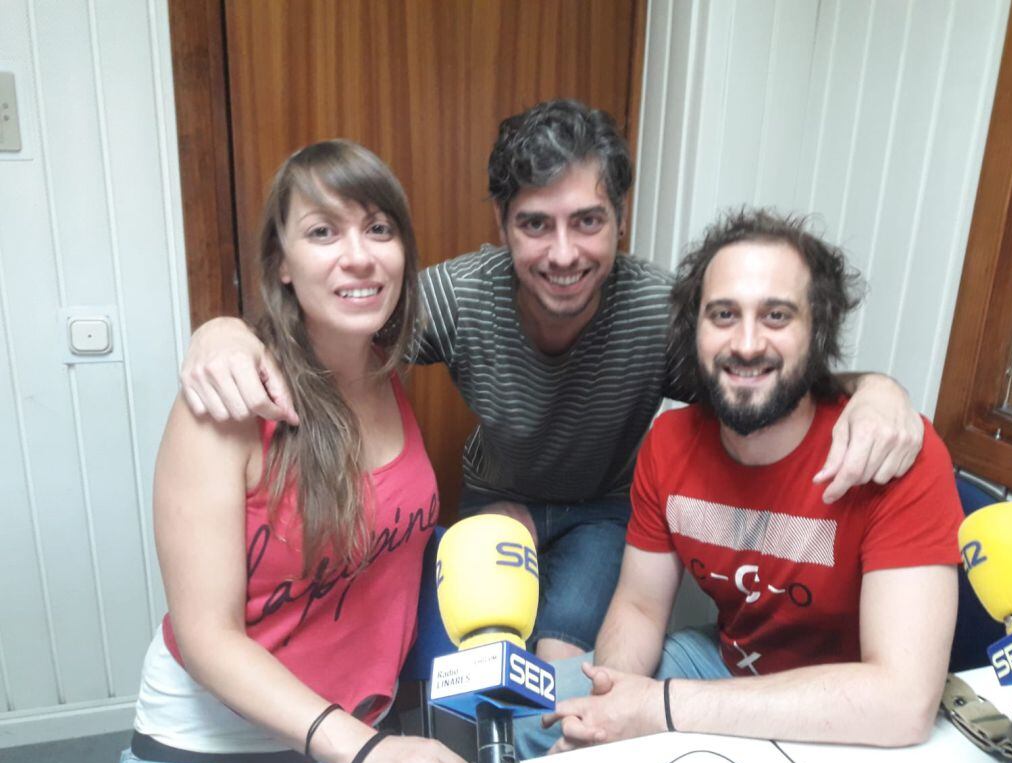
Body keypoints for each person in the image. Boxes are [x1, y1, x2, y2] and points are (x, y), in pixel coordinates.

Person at [177, 100, 925, 663]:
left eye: (588, 222)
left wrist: (873, 386)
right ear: (502, 223)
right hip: (497, 505)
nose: (563, 253)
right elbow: (337, 331)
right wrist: (229, 330)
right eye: (536, 224)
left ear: (620, 221)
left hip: (604, 515)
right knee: (471, 671)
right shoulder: (460, 297)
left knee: (561, 667)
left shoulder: (660, 312)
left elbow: (762, 372)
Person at [106, 141, 474, 763]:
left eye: (379, 229)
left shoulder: (387, 372)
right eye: (323, 231)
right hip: (210, 756)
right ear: (281, 263)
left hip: (347, 745)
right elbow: (206, 637)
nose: (358, 254)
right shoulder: (228, 404)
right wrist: (365, 752)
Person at [518, 208, 961, 758]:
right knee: (524, 725)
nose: (747, 343)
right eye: (723, 315)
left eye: (776, 316)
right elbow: (638, 606)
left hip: (852, 714)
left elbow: (902, 701)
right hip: (716, 666)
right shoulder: (669, 443)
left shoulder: (895, 455)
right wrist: (607, 711)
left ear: (817, 330)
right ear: (693, 329)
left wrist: (660, 709)